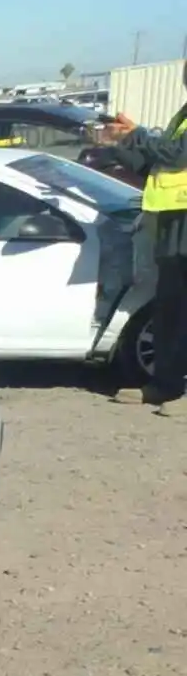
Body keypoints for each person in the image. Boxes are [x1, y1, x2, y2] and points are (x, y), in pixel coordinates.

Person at [106, 62, 187, 416]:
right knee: (172, 311)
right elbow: (157, 163)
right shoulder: (182, 115)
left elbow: (175, 154)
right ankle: (166, 386)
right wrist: (121, 143)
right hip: (174, 224)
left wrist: (137, 133)